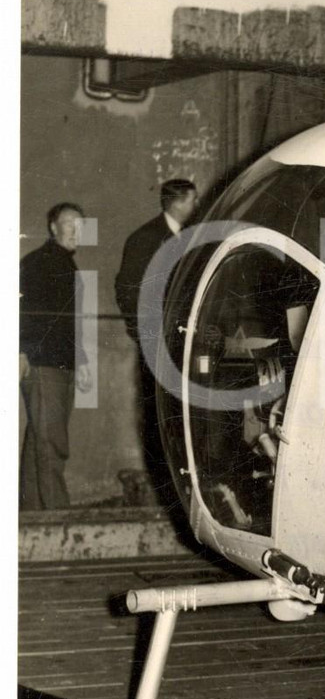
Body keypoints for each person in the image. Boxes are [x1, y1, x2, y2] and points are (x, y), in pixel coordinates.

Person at [115, 180, 198, 479]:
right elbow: (126, 289)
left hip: (183, 341)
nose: (196, 206)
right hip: (156, 341)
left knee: (181, 410)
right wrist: (142, 333)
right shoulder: (145, 239)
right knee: (157, 411)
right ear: (177, 204)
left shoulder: (190, 238)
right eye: (192, 200)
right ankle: (160, 479)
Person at [19, 203, 89, 509]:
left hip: (61, 364)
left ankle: (32, 513)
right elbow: (23, 312)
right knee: (51, 443)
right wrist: (21, 352)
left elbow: (69, 321)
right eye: (69, 223)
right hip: (44, 364)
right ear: (53, 227)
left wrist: (82, 362)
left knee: (40, 439)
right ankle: (57, 515)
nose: (76, 230)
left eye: (81, 225)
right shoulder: (37, 263)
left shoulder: (65, 264)